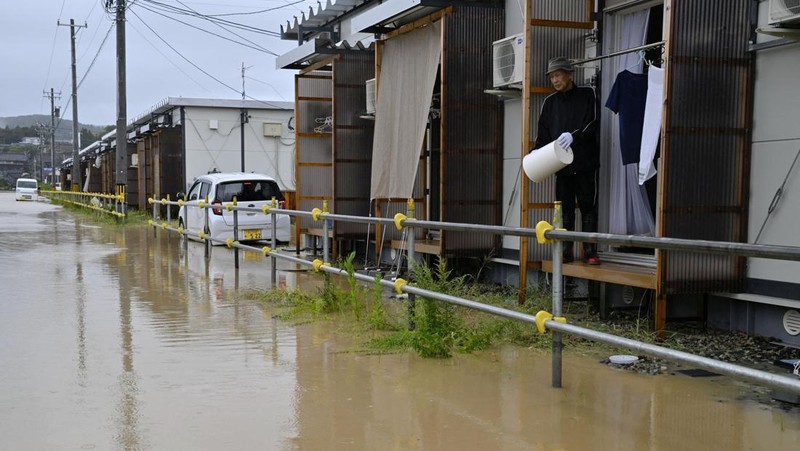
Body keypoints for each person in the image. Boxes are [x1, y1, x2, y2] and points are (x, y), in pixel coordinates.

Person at [531, 56, 600, 265]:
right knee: (565, 209)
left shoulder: (587, 94)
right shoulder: (549, 103)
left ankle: (590, 251)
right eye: (551, 76)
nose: (554, 80)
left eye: (558, 75)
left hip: (585, 162)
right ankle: (566, 250)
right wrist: (536, 151)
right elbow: (543, 134)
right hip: (560, 164)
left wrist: (574, 135)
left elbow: (593, 123)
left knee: (588, 207)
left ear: (569, 74)